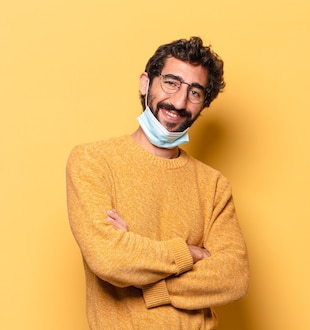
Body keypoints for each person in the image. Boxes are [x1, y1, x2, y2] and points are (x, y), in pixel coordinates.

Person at [66, 37, 249, 329]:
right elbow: (109, 258)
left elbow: (234, 277)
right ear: (145, 83)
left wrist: (147, 278)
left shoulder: (214, 185)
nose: (179, 102)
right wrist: (190, 253)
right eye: (171, 83)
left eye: (195, 92)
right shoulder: (93, 161)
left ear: (204, 104)